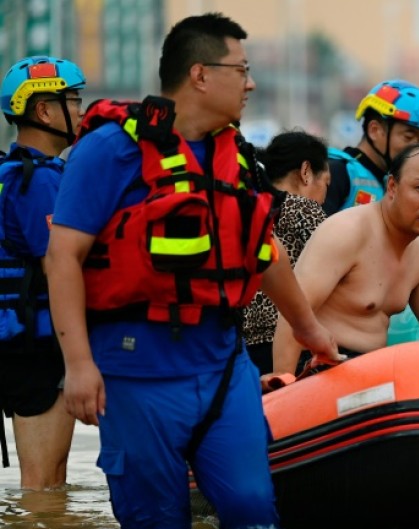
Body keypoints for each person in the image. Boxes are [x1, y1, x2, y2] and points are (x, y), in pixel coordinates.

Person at [45, 13, 341, 528]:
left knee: (254, 507)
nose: (250, 83)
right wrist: (78, 364)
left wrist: (312, 332)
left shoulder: (236, 157)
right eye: (241, 69)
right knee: (156, 517)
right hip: (135, 371)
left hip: (223, 365)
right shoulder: (109, 150)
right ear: (200, 74)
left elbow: (263, 251)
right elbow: (62, 256)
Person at [267, 142, 419, 384]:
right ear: (392, 186)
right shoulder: (346, 231)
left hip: (370, 374)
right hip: (317, 368)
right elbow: (293, 314)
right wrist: (284, 385)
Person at [0, 55, 85, 490]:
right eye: (72, 99)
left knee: (53, 481)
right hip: (37, 346)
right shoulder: (40, 179)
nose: (81, 109)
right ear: (44, 110)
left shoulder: (28, 173)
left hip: (28, 340)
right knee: (42, 483)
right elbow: (59, 259)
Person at [243, 130, 331, 374]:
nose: (324, 197)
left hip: (243, 347)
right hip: (290, 345)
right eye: (326, 183)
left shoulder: (251, 207)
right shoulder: (305, 209)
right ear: (306, 172)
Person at [321, 79, 419, 215]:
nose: (416, 148)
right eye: (408, 137)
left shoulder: (397, 183)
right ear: (374, 130)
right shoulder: (337, 173)